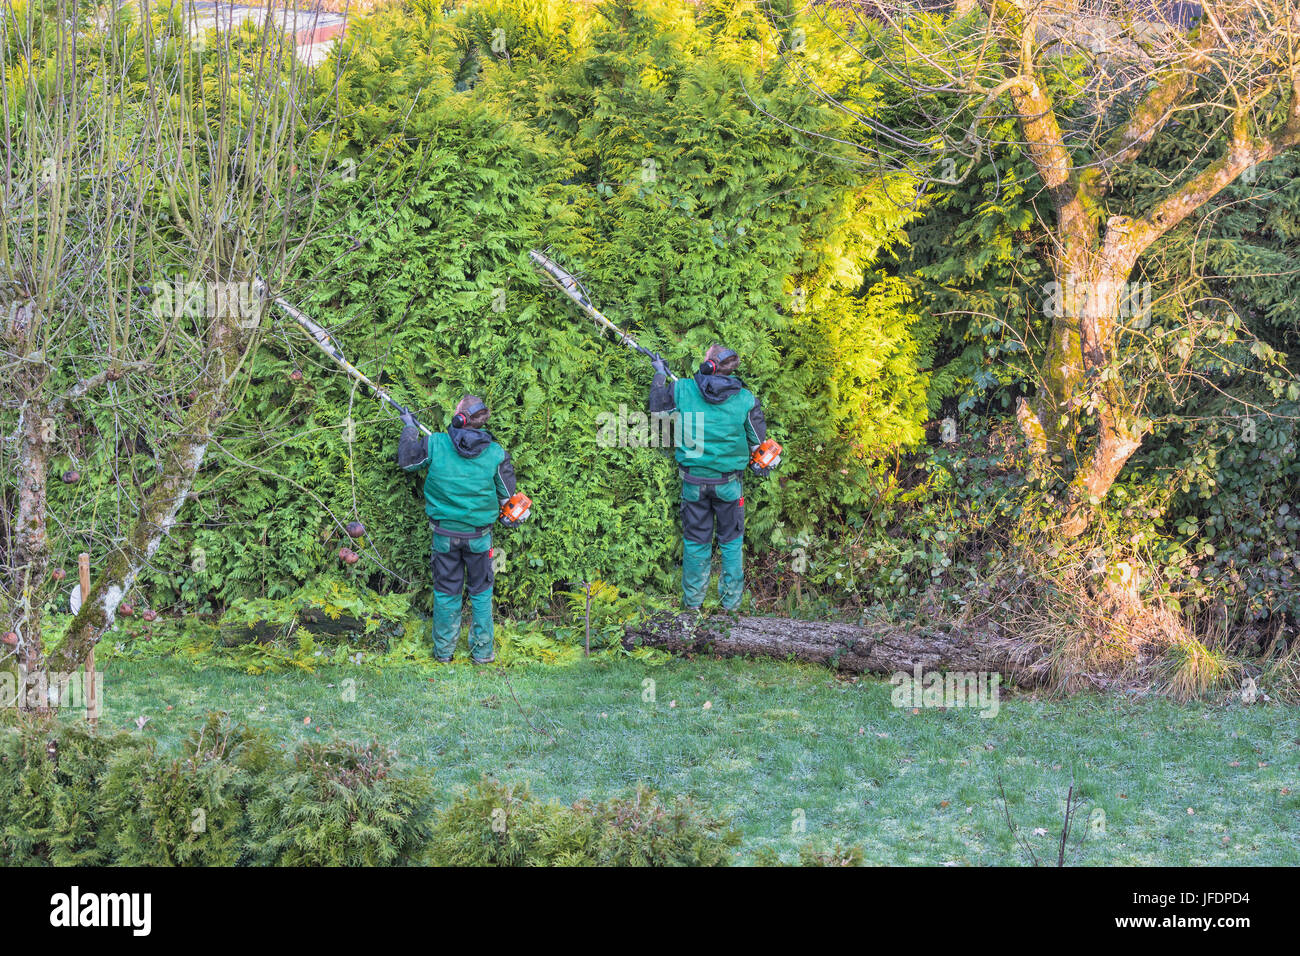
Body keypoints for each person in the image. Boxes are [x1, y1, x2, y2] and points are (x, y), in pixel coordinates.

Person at [397, 394, 525, 663]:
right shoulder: (496, 454)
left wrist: (409, 426)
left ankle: (444, 653)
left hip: (444, 536)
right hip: (480, 538)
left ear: (459, 417)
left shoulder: (436, 444)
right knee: (481, 592)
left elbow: (407, 460)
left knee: (446, 592)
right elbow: (508, 499)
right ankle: (482, 653)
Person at [648, 344, 774, 611]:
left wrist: (660, 375)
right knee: (731, 542)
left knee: (695, 542)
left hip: (693, 483)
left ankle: (692, 607)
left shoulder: (682, 389)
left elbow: (658, 412)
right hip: (729, 485)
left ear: (709, 364)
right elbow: (758, 445)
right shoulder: (746, 400)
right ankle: (730, 610)